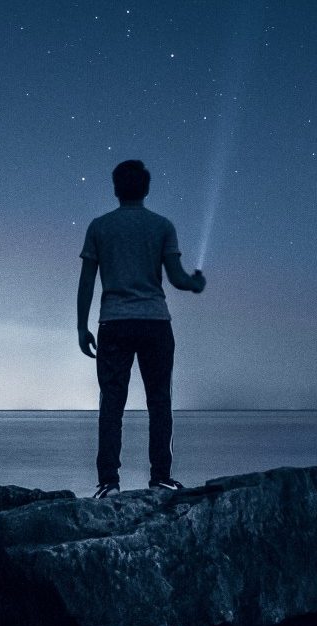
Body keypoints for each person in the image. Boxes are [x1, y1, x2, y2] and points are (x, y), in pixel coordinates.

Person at [77, 160, 206, 499]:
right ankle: (160, 477)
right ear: (146, 189)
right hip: (155, 323)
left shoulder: (99, 227)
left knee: (112, 404)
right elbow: (177, 278)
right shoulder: (161, 226)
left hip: (114, 323)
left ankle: (108, 482)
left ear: (115, 189)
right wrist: (195, 283)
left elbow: (87, 281)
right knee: (160, 401)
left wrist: (81, 326)